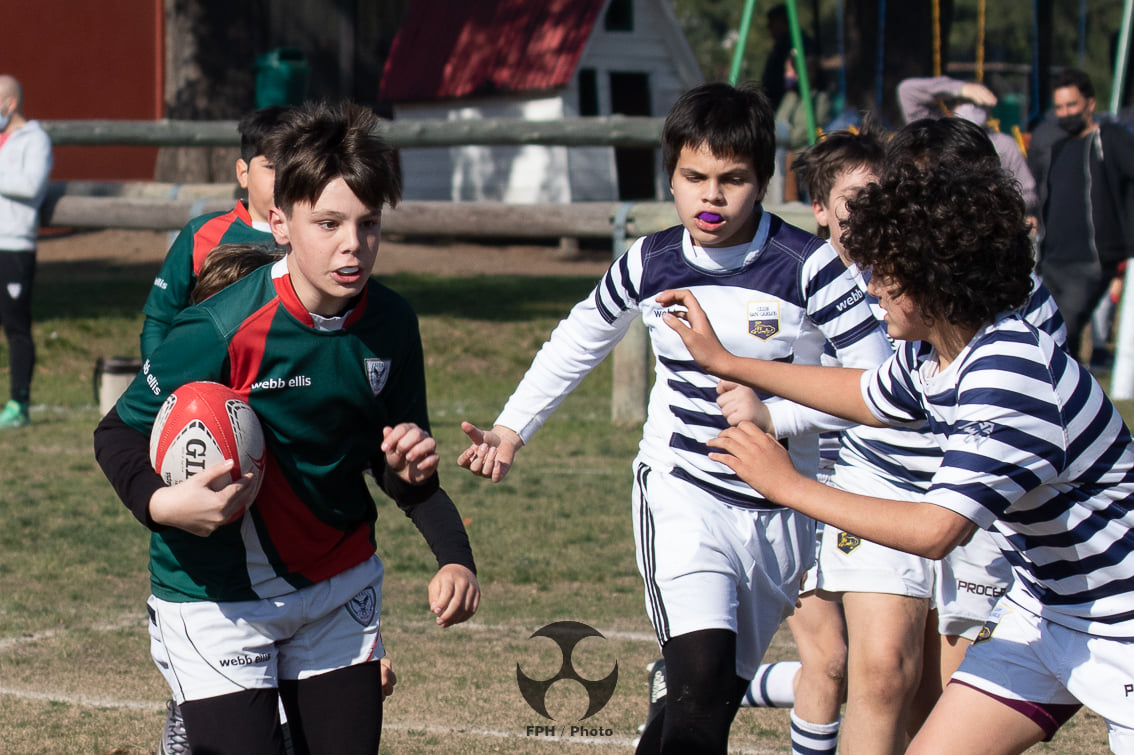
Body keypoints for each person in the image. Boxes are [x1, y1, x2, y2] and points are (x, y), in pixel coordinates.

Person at [457, 81, 892, 754]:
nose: (710, 196)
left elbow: (875, 386)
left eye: (732, 179)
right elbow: (580, 337)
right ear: (672, 175)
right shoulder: (650, 260)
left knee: (705, 702)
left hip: (783, 512)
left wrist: (777, 415)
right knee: (697, 681)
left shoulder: (811, 269)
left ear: (763, 179)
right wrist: (513, 428)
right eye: (694, 176)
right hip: (683, 494)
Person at [660, 160, 1134, 753]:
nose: (872, 288)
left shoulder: (1010, 371)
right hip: (1046, 615)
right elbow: (865, 392)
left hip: (1123, 625)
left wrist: (786, 485)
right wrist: (727, 362)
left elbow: (937, 530)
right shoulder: (942, 353)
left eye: (886, 273)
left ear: (934, 278)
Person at [94, 100, 479, 755]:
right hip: (217, 598)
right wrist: (164, 503)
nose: (351, 245)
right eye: (327, 223)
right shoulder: (219, 329)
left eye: (368, 224)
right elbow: (116, 434)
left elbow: (392, 466)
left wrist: (452, 550)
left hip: (337, 586)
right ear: (280, 221)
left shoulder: (391, 324)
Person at [140, 105, 290, 359]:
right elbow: (159, 321)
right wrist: (161, 388)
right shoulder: (202, 234)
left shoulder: (317, 239)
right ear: (243, 173)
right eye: (272, 167)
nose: (284, 178)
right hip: (211, 388)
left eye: (294, 166)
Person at [1033, 68, 1134, 360]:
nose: (1066, 113)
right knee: (1047, 334)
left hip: (1091, 259)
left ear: (1090, 103)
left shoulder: (1109, 139)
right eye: (1060, 107)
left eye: (1072, 105)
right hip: (1051, 261)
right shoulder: (1058, 148)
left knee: (1066, 327)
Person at [897, 75, 1037, 218]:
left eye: (978, 104)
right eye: (965, 102)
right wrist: (959, 88)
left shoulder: (1004, 144)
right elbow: (907, 91)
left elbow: (1027, 193)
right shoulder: (936, 134)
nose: (971, 108)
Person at [0, 74, 52, 429]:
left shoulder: (36, 140)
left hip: (14, 244)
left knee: (16, 325)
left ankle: (19, 403)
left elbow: (32, 185)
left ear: (10, 103)